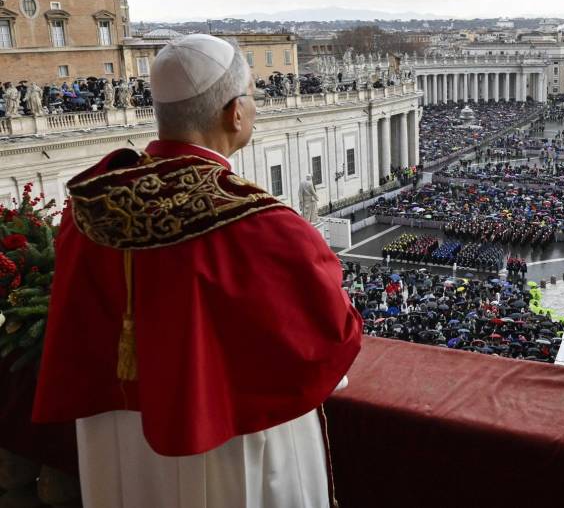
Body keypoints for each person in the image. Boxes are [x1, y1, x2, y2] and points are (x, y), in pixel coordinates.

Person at [32, 34, 362, 508]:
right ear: (235, 113)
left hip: (118, 432)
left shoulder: (91, 206)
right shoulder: (261, 224)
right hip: (226, 435)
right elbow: (331, 336)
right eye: (252, 96)